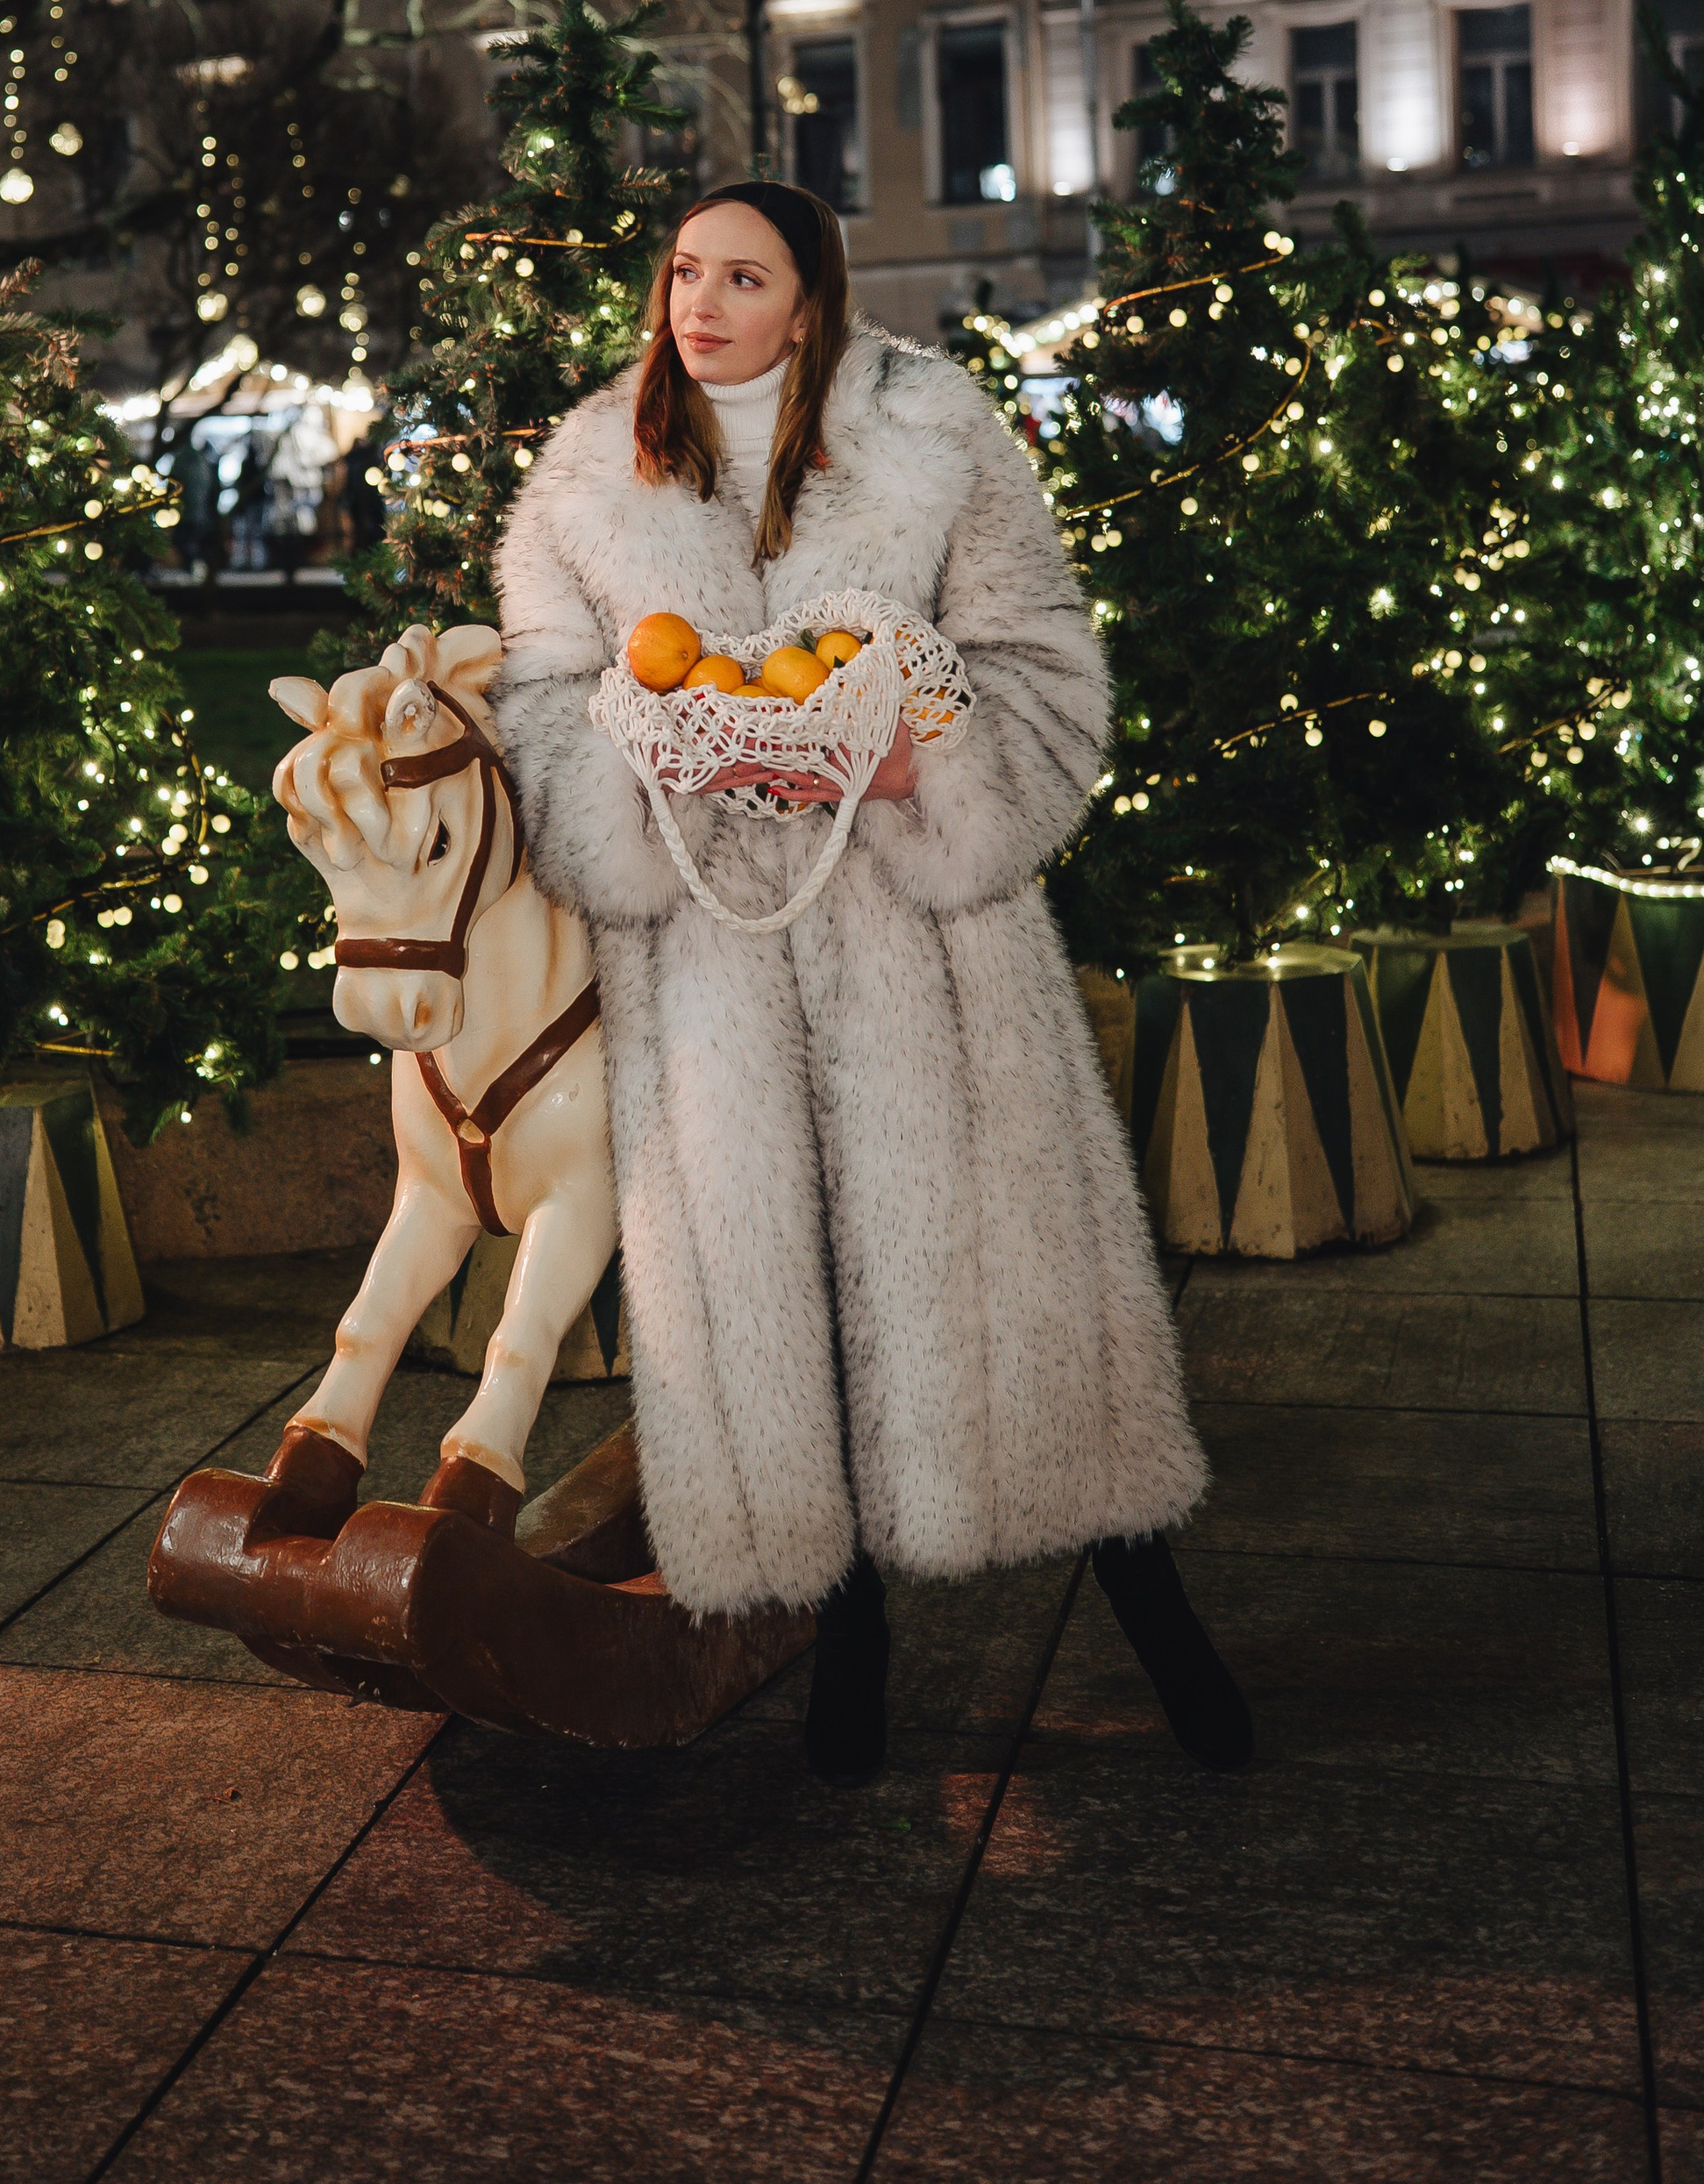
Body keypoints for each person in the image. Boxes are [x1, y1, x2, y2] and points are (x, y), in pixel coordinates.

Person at [492, 178, 1250, 1783]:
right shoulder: (588, 472)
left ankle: (1162, 1625)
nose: (698, 305)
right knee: (774, 1327)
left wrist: (916, 767)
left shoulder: (934, 435)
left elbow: (1045, 669)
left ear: (811, 297)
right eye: (683, 272)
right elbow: (553, 713)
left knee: (1023, 1303)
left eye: (741, 277)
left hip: (933, 962)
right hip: (708, 971)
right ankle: (847, 1649)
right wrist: (664, 766)